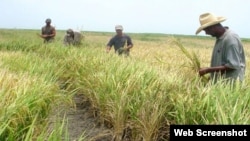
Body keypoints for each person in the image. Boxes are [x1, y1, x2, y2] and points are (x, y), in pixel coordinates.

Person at [196, 13, 246, 83]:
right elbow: (220, 63)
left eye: (206, 30)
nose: (206, 33)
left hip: (231, 85)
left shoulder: (230, 38)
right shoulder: (220, 38)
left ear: (212, 27)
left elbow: (233, 65)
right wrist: (212, 77)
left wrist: (208, 70)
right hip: (221, 84)